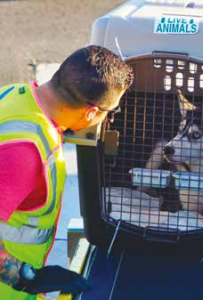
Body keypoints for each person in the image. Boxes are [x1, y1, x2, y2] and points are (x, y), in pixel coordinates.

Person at [0, 45, 133, 299]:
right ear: (92, 112)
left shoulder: (13, 95)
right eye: (109, 112)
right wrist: (26, 278)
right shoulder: (27, 154)